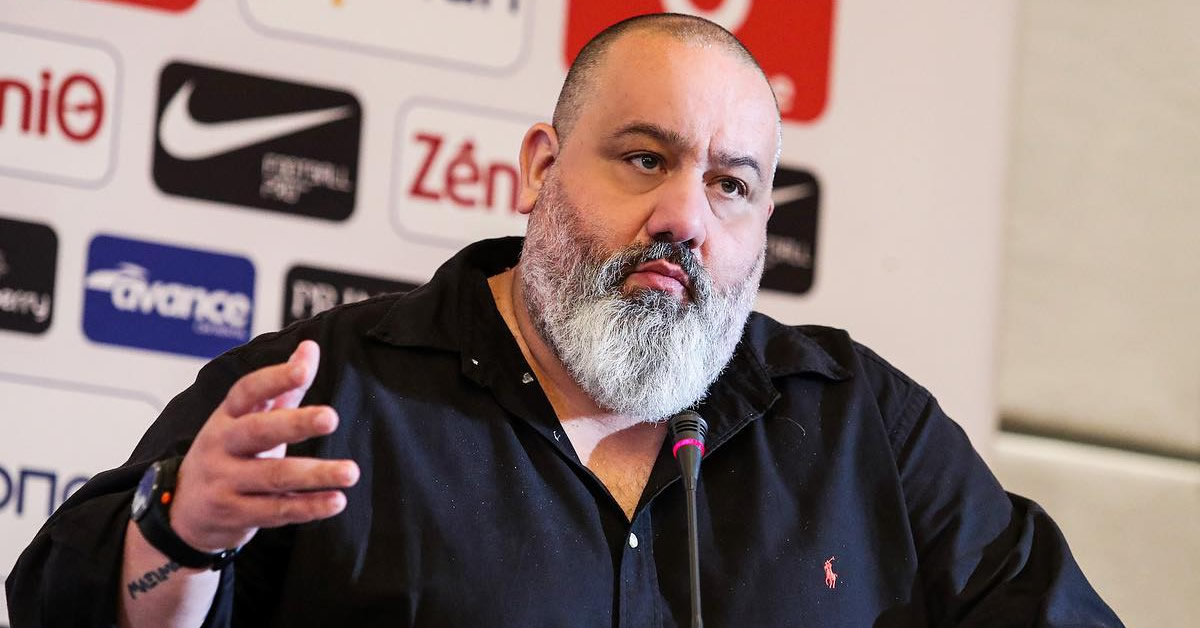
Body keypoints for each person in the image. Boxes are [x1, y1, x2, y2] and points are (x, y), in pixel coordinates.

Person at [7, 13, 1122, 628]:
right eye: (644, 159)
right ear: (541, 167)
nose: (683, 217)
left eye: (730, 185)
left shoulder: (862, 429)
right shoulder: (328, 395)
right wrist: (179, 531)